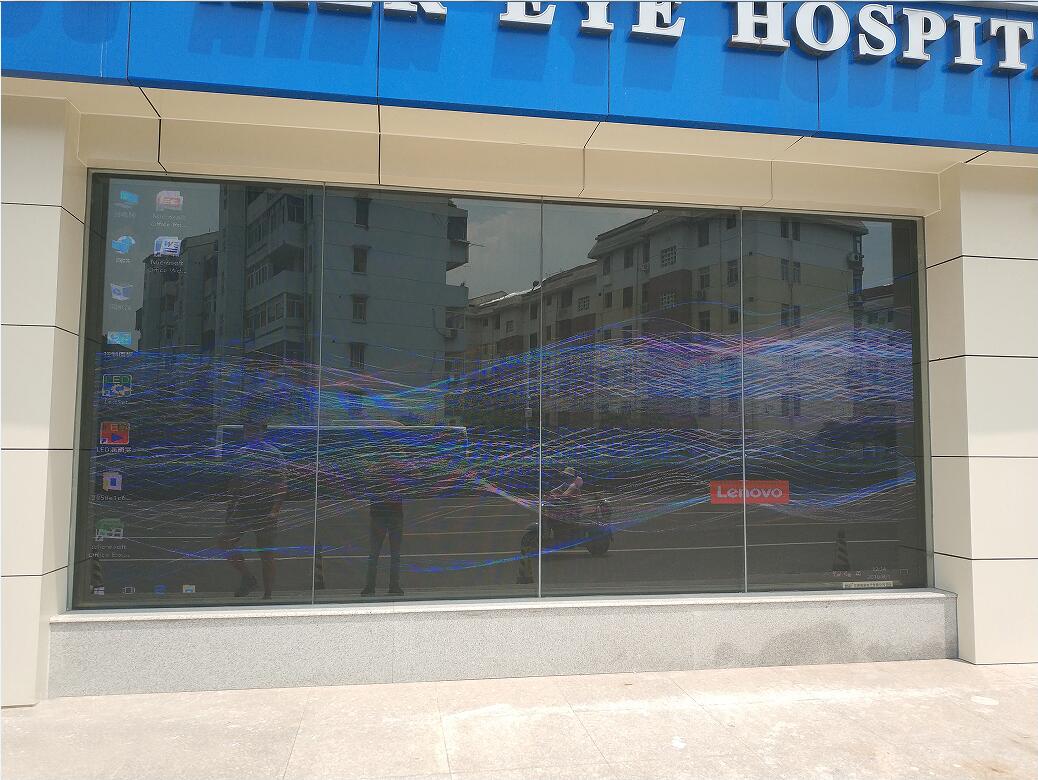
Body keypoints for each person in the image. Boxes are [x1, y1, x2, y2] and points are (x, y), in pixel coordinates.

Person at [219, 405, 287, 599]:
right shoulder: (240, 454)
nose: (250, 433)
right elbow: (235, 484)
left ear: (262, 431)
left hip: (264, 508)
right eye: (248, 429)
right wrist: (230, 508)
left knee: (266, 552)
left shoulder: (273, 454)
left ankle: (268, 595)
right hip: (244, 507)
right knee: (225, 542)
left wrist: (274, 511)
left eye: (254, 429)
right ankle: (249, 578)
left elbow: (281, 484)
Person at [361, 498, 404, 597]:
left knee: (374, 554)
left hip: (380, 513)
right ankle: (393, 586)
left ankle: (370, 587)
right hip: (393, 512)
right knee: (394, 554)